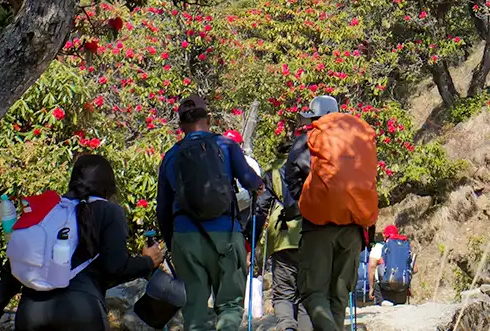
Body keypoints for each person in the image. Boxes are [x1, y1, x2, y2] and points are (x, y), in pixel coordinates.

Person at [0, 154, 164, 331]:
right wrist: (148, 261)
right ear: (108, 186)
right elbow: (115, 267)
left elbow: (16, 265)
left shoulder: (49, 211)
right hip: (81, 310)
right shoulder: (109, 211)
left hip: (30, 313)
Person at [158, 96, 263, 331]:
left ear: (181, 126)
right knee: (229, 306)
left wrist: (172, 242)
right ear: (209, 119)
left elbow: (162, 208)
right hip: (226, 234)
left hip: (185, 237)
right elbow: (250, 180)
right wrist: (260, 185)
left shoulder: (171, 156)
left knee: (194, 312)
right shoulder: (227, 146)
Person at [284, 95, 380, 331]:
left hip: (319, 226)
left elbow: (292, 178)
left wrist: (307, 201)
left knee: (312, 292)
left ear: (314, 118)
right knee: (339, 296)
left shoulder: (308, 139)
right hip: (355, 229)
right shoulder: (359, 139)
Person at [255, 165, 309, 331]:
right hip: (311, 234)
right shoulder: (313, 164)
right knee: (307, 294)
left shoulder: (274, 172)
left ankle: (287, 327)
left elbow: (262, 205)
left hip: (282, 236)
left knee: (284, 293)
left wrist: (253, 236)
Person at [373, 225, 414, 305]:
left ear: (385, 235)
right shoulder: (403, 246)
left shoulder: (379, 247)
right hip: (402, 290)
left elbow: (371, 266)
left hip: (384, 291)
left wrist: (371, 288)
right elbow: (415, 269)